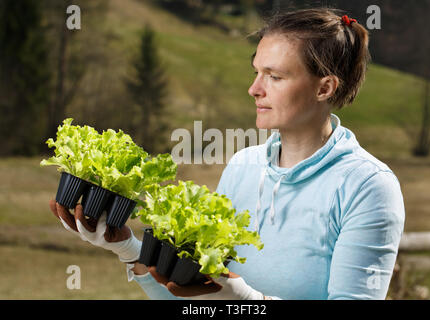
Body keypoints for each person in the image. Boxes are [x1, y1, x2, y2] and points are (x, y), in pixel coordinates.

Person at [49, 8, 405, 300]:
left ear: (324, 87)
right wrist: (127, 248)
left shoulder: (368, 187)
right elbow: (192, 299)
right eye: (256, 73)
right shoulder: (242, 167)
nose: (254, 89)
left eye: (275, 77)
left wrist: (245, 302)